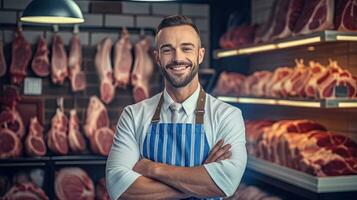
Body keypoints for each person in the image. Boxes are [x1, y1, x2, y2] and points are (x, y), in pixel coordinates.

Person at [106, 15, 247, 200]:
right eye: (167, 50)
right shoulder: (133, 115)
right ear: (157, 57)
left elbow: (225, 183)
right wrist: (199, 178)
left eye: (186, 48)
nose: (177, 58)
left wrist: (152, 168)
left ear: (200, 54)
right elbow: (119, 188)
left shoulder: (227, 116)